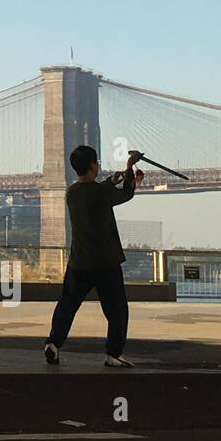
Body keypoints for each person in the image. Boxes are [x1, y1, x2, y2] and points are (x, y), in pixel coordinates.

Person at [44, 146, 143, 368]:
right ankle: (113, 353)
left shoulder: (71, 193)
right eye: (96, 162)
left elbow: (96, 191)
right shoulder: (100, 193)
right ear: (92, 166)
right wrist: (130, 171)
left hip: (79, 261)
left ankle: (53, 343)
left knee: (67, 305)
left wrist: (111, 180)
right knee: (117, 310)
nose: (98, 165)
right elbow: (125, 194)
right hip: (106, 262)